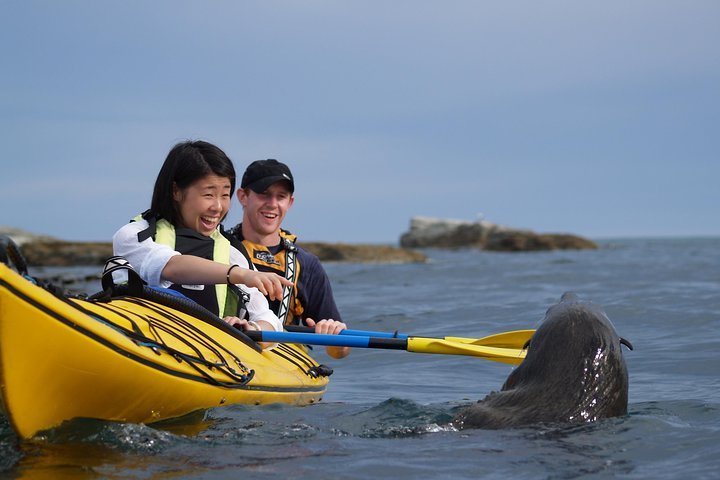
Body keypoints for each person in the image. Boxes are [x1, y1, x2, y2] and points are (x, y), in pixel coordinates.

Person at [112, 141, 292, 342]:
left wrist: (249, 326)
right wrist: (238, 274)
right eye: (208, 194)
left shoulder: (232, 252)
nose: (218, 207)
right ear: (176, 191)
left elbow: (268, 318)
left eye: (225, 195)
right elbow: (171, 266)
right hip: (142, 342)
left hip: (207, 357)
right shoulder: (135, 235)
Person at [227, 159, 350, 359]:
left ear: (290, 202)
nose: (272, 204)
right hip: (227, 349)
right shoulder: (219, 248)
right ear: (243, 196)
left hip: (281, 362)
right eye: (264, 194)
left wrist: (335, 335)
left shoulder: (307, 264)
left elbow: (340, 352)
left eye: (281, 196)